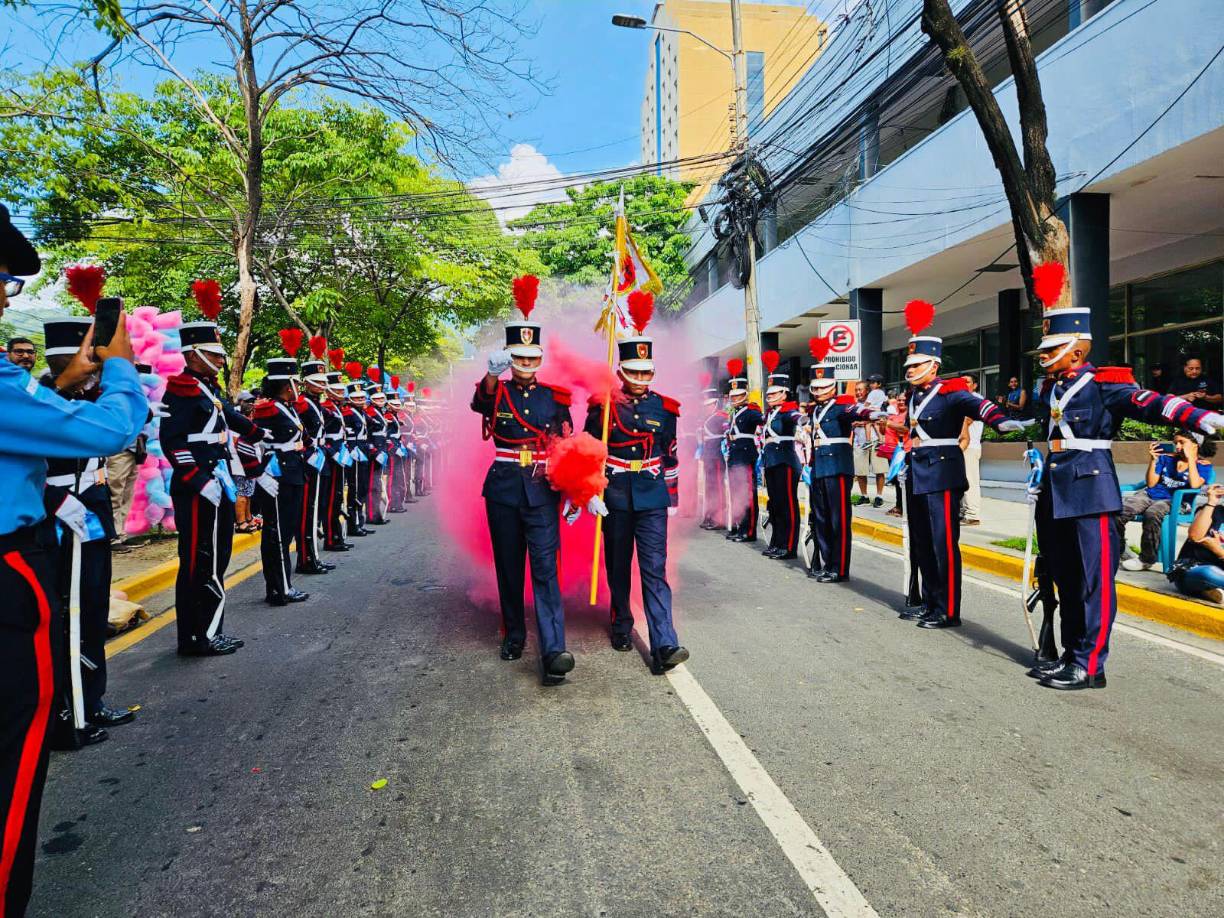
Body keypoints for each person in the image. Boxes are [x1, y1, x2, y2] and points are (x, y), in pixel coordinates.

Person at [0, 202, 146, 918]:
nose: (4, 296)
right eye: (1, 281)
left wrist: (67, 380)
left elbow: (29, 421)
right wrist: (119, 370)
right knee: (14, 755)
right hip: (9, 568)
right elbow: (110, 428)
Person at [1025, 264, 1223, 689]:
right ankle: (1069, 653)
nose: (1042, 357)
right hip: (1055, 490)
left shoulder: (1103, 385)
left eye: (1051, 349)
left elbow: (1150, 402)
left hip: (1091, 491)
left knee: (1093, 582)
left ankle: (1090, 664)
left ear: (1077, 352)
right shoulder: (1050, 390)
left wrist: (1198, 415)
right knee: (1063, 575)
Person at [40, 316, 139, 751]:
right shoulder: (41, 398)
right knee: (65, 612)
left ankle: (90, 698)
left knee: (93, 606)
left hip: (91, 511)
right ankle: (66, 711)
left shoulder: (89, 397)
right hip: (57, 516)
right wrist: (56, 502)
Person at [471, 275, 575, 686]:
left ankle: (554, 650)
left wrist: (573, 490)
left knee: (547, 570)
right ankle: (514, 634)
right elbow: (479, 404)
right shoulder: (495, 390)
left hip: (542, 486)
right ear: (509, 358)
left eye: (532, 359)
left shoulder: (556, 398)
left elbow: (566, 444)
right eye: (519, 358)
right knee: (510, 567)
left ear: (540, 359)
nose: (526, 365)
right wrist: (493, 376)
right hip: (502, 487)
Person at [899, 300, 1024, 628]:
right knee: (922, 542)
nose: (910, 370)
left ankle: (948, 609)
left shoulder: (950, 392)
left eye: (917, 364)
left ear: (934, 365)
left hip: (942, 472)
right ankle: (929, 601)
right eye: (909, 364)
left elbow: (978, 404)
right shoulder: (913, 395)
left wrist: (1000, 421)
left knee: (943, 544)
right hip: (918, 471)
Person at [583, 310, 688, 674]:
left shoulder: (666, 408)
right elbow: (588, 452)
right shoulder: (602, 406)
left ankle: (665, 643)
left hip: (652, 495)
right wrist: (588, 492)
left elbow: (670, 454)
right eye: (635, 372)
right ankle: (620, 623)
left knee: (653, 569)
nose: (641, 379)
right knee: (617, 566)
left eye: (647, 372)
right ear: (621, 371)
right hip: (613, 494)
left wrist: (672, 497)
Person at [160, 296, 263, 657]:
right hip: (196, 487)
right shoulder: (181, 389)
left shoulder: (208, 388)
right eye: (215, 354)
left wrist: (256, 432)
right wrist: (199, 480)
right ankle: (194, 636)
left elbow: (228, 417)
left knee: (216, 559)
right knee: (197, 561)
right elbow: (171, 442)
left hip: (216, 482)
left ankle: (210, 630)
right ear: (193, 354)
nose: (221, 360)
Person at [803, 359, 882, 582]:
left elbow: (857, 411)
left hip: (837, 468)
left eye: (822, 387)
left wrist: (874, 415)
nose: (818, 392)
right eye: (815, 388)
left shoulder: (840, 407)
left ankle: (839, 568)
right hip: (819, 467)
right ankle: (827, 563)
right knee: (821, 518)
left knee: (838, 520)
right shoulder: (815, 410)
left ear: (832, 387)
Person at [252, 358, 309, 607]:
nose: (298, 386)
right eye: (295, 381)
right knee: (276, 534)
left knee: (285, 533)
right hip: (277, 475)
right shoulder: (269, 409)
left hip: (293, 471)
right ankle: (278, 588)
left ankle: (283, 585)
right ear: (287, 384)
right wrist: (259, 473)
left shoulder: (288, 407)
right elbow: (251, 441)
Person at [1116, 432, 1214, 572]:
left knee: (1153, 513)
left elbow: (1194, 485)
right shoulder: (1166, 459)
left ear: (1195, 445)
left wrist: (1191, 459)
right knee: (1119, 509)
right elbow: (1150, 484)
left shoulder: (1203, 465)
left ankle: (1147, 559)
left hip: (1177, 501)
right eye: (1176, 443)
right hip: (1150, 495)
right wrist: (1153, 460)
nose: (1177, 446)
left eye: (1182, 442)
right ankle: (1118, 550)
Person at [294, 358, 334, 575]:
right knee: (307, 511)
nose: (322, 385)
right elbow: (296, 430)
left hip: (319, 455)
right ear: (306, 382)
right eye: (317, 382)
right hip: (308, 459)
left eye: (323, 381)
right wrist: (308, 450)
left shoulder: (315, 403)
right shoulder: (302, 403)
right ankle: (306, 558)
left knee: (314, 509)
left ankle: (313, 556)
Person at [759, 363, 802, 560]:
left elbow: (796, 417)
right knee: (775, 504)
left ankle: (789, 546)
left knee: (787, 505)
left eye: (774, 392)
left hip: (785, 462)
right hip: (772, 462)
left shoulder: (788, 411)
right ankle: (777, 542)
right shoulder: (771, 413)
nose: (770, 396)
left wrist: (802, 420)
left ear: (784, 393)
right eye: (769, 393)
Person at [724, 360, 762, 543]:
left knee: (747, 494)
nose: (734, 398)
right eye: (733, 395)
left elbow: (762, 419)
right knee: (736, 494)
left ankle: (749, 530)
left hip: (746, 456)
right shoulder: (734, 412)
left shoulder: (751, 411)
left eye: (738, 395)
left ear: (745, 395)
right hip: (734, 456)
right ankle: (739, 525)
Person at [1170, 483, 1224, 605]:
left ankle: (1209, 591)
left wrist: (1219, 551)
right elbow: (1195, 536)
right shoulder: (1213, 511)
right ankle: (1209, 589)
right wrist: (1211, 502)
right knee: (1207, 573)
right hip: (1194, 569)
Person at [321, 371, 352, 551]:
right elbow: (320, 435)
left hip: (340, 454)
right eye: (337, 391)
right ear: (329, 391)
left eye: (342, 391)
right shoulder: (326, 407)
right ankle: (331, 538)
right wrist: (332, 452)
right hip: (331, 457)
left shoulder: (336, 408)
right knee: (331, 498)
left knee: (337, 497)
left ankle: (337, 536)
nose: (341, 394)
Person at [342, 381, 373, 537]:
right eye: (357, 398)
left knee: (362, 488)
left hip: (363, 450)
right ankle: (353, 525)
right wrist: (352, 449)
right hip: (355, 452)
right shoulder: (348, 413)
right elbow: (348, 434)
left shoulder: (361, 412)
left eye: (362, 397)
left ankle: (360, 521)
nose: (361, 400)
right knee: (354, 489)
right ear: (351, 399)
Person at [851, 381, 887, 507]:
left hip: (875, 440)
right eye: (856, 390)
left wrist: (861, 423)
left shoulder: (876, 405)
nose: (858, 392)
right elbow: (851, 422)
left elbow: (881, 420)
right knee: (861, 471)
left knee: (879, 469)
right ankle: (864, 496)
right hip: (859, 441)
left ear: (867, 391)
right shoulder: (854, 406)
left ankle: (879, 495)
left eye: (860, 389)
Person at [698, 383, 727, 530]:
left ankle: (719, 518)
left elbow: (727, 433)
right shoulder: (708, 417)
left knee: (718, 487)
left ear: (716, 403)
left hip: (717, 455)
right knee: (709, 487)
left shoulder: (721, 416)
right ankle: (710, 515)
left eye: (709, 404)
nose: (707, 407)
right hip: (709, 455)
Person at [363, 382, 390, 526]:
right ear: (372, 399)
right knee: (373, 485)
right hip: (373, 453)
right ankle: (372, 515)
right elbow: (366, 434)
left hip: (381, 450)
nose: (381, 401)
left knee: (377, 484)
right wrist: (373, 450)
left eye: (382, 398)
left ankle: (376, 514)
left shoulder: (378, 412)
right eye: (378, 399)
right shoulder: (370, 412)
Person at [959, 374, 984, 526]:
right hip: (961, 446)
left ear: (974, 385)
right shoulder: (962, 400)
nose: (963, 384)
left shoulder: (974, 400)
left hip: (970, 446)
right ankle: (963, 512)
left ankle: (972, 514)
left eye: (967, 382)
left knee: (970, 481)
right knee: (961, 481)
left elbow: (967, 421)